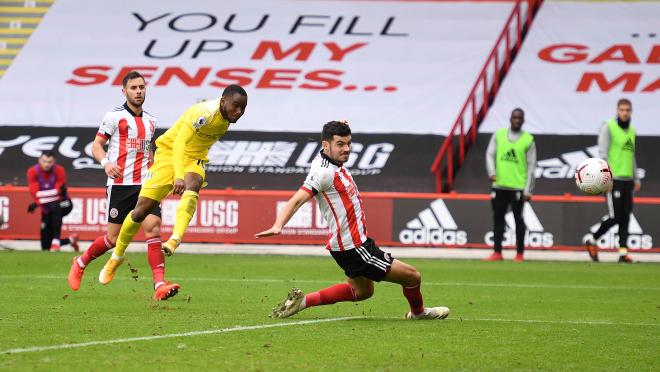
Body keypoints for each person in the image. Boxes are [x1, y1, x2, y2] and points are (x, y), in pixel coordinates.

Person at [255, 120, 449, 320]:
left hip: (346, 246)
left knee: (363, 292)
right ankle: (418, 313)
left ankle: (303, 302)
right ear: (326, 145)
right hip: (354, 247)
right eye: (340, 144)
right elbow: (296, 201)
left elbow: (333, 140)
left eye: (348, 143)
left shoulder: (327, 159)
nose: (346, 149)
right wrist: (278, 225)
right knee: (412, 276)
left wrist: (340, 124)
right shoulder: (323, 173)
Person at [99, 84, 248, 284]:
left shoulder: (226, 118)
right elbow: (179, 143)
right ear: (223, 101)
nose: (238, 112)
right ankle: (115, 258)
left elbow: (196, 146)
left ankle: (174, 240)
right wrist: (178, 176)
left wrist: (187, 172)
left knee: (194, 183)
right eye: (236, 106)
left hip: (194, 158)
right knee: (139, 212)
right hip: (169, 153)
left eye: (242, 109)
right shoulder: (203, 113)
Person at [67, 71, 180, 300]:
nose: (139, 91)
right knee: (113, 239)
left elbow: (150, 151)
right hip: (120, 185)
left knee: (154, 228)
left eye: (142, 87)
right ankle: (80, 262)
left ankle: (159, 285)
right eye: (134, 88)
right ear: (124, 91)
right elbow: (96, 145)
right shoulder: (114, 117)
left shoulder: (151, 121)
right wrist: (106, 163)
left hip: (146, 185)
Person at [584, 99, 640, 263]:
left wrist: (636, 177)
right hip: (614, 180)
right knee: (615, 216)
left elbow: (632, 156)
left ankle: (623, 253)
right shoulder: (609, 126)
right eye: (622, 109)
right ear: (617, 111)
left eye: (627, 110)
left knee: (626, 217)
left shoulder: (632, 131)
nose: (625, 112)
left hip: (628, 179)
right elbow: (602, 153)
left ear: (631, 112)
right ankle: (593, 239)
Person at [483, 108, 536, 262]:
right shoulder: (499, 135)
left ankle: (520, 254)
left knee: (518, 219)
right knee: (497, 219)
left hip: (517, 187)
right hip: (499, 185)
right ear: (510, 118)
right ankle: (497, 252)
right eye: (515, 117)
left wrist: (528, 190)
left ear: (523, 120)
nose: (517, 120)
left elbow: (532, 166)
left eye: (520, 118)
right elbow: (490, 154)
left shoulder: (528, 139)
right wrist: (491, 171)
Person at [26, 151, 79, 252]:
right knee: (45, 246)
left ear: (54, 162)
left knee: (55, 206)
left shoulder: (59, 170)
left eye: (50, 162)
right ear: (39, 161)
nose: (47, 164)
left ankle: (55, 241)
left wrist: (38, 202)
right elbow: (36, 193)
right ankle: (71, 240)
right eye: (44, 161)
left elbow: (58, 194)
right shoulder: (32, 171)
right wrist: (52, 194)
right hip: (46, 207)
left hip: (65, 203)